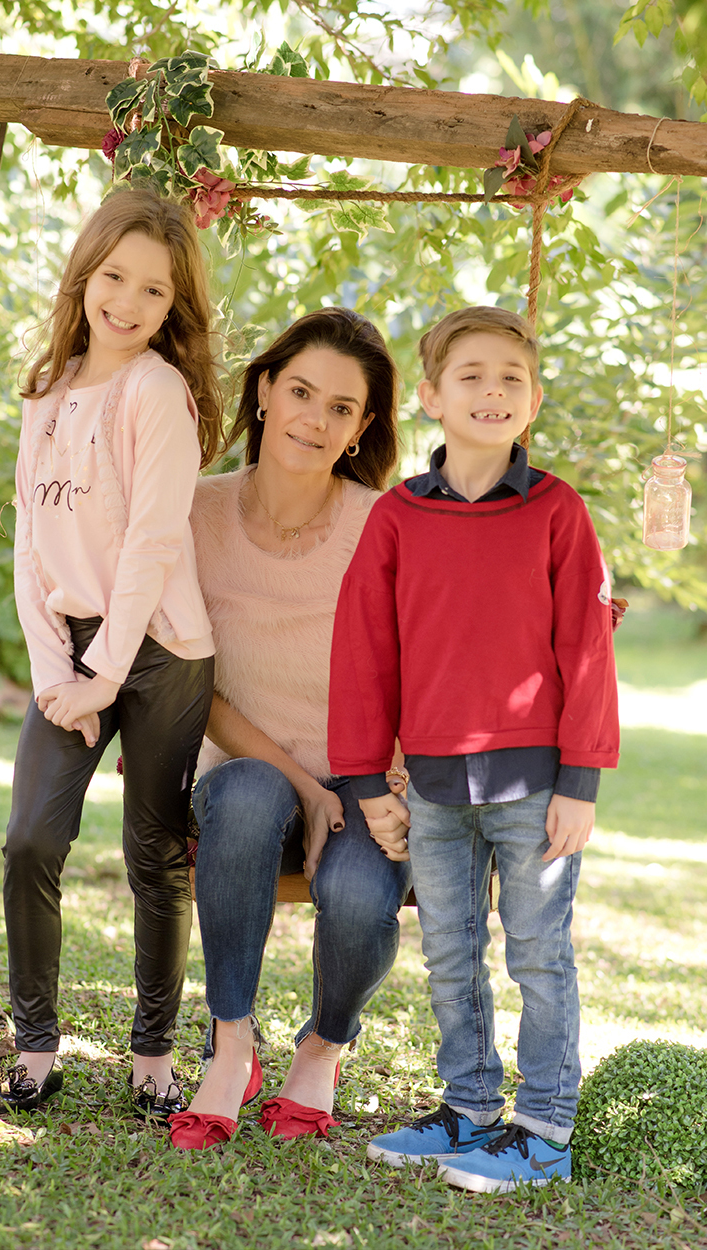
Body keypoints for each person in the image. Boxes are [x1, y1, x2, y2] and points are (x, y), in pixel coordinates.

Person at [328, 306, 620, 1192]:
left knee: (537, 952)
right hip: (434, 786)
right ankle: (469, 1108)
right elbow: (363, 649)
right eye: (472, 376)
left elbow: (588, 649)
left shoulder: (558, 511)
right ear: (430, 397)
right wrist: (362, 779)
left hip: (537, 787)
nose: (492, 392)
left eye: (511, 378)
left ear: (533, 399)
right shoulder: (398, 516)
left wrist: (581, 780)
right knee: (451, 952)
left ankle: (543, 1130)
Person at [0, 188, 221, 1118]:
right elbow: (30, 547)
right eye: (114, 277)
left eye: (154, 292)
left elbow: (152, 547)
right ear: (85, 274)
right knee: (30, 838)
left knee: (154, 853)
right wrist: (57, 675)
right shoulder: (46, 390)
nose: (128, 302)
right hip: (75, 651)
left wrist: (103, 679)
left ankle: (154, 1053)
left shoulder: (157, 391)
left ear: (173, 308)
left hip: (158, 650)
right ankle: (36, 1042)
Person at [167, 307, 413, 1151]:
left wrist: (383, 784)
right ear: (266, 391)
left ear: (361, 428)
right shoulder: (194, 515)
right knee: (242, 800)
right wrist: (304, 788)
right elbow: (188, 683)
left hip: (370, 770)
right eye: (301, 391)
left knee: (355, 893)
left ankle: (323, 1046)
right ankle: (232, 1046)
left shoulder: (386, 524)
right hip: (247, 764)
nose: (315, 417)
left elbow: (429, 664)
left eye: (341, 407)